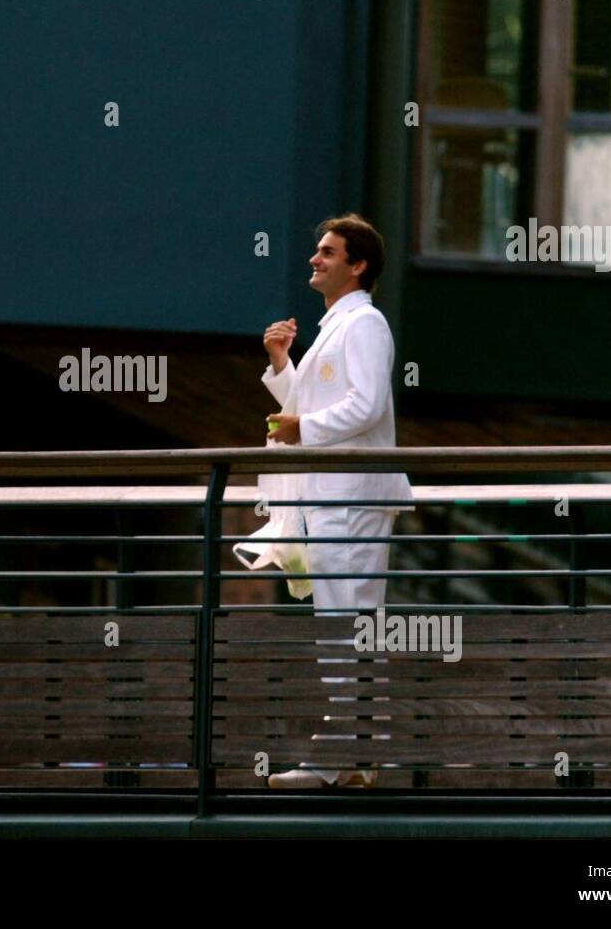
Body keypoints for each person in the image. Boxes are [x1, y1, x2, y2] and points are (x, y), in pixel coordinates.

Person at [259, 213, 413, 790]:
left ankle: (345, 756)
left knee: (347, 623)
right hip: (331, 499)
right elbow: (315, 404)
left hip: (350, 500)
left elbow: (367, 406)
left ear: (358, 264)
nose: (314, 259)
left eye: (327, 252)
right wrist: (281, 365)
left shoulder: (365, 324)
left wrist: (304, 429)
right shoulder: (337, 325)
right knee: (341, 624)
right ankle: (354, 754)